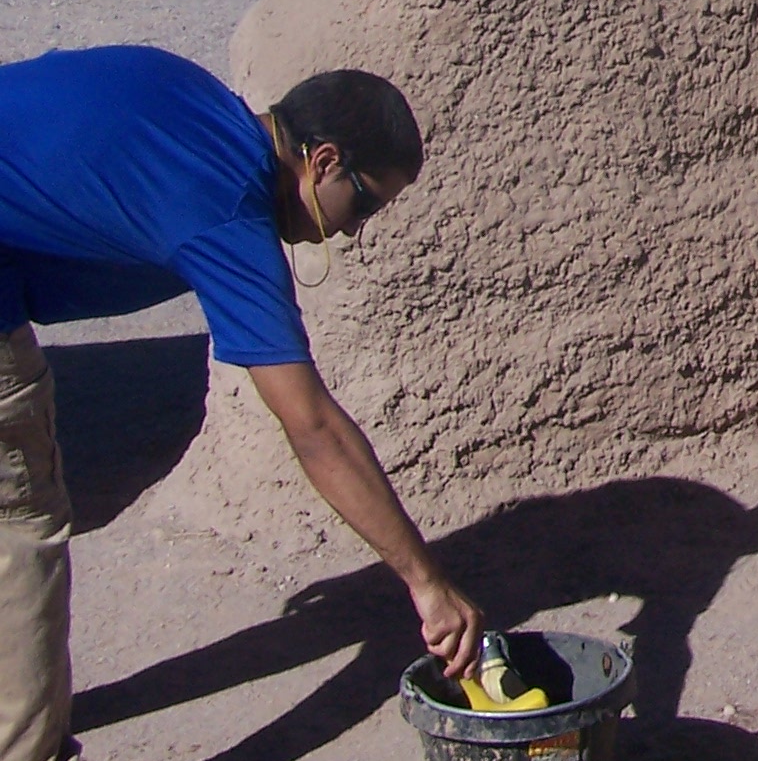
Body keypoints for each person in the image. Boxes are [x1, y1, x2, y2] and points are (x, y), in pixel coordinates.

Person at [0, 45, 484, 761]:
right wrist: (428, 583)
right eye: (366, 202)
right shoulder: (228, 209)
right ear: (322, 162)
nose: (356, 229)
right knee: (19, 518)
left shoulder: (188, 90)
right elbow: (312, 424)